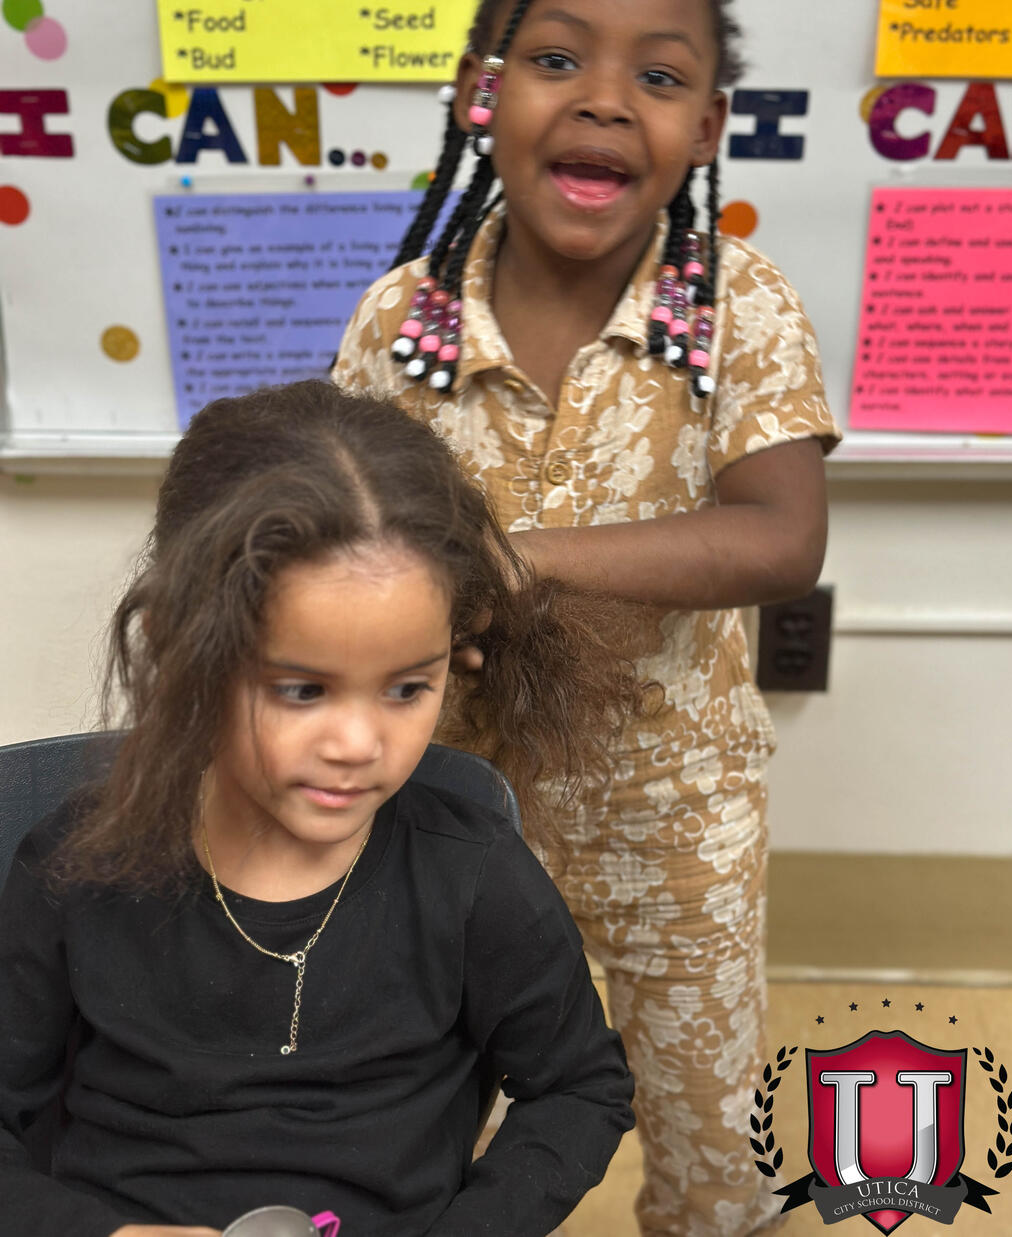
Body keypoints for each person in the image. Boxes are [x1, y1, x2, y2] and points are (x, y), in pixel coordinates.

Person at [332, 0, 841, 1234]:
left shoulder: (738, 308)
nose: (607, 100)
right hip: (448, 822)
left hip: (679, 830)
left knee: (711, 1147)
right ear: (478, 95)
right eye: (557, 59)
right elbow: (344, 533)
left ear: (707, 127)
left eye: (657, 77)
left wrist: (525, 556)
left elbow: (782, 534)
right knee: (420, 1121)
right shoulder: (400, 322)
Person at [0, 380, 642, 1237]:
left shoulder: (473, 874)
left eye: (408, 688)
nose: (358, 743)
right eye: (303, 689)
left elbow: (581, 1086)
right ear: (181, 649)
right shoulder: (72, 870)